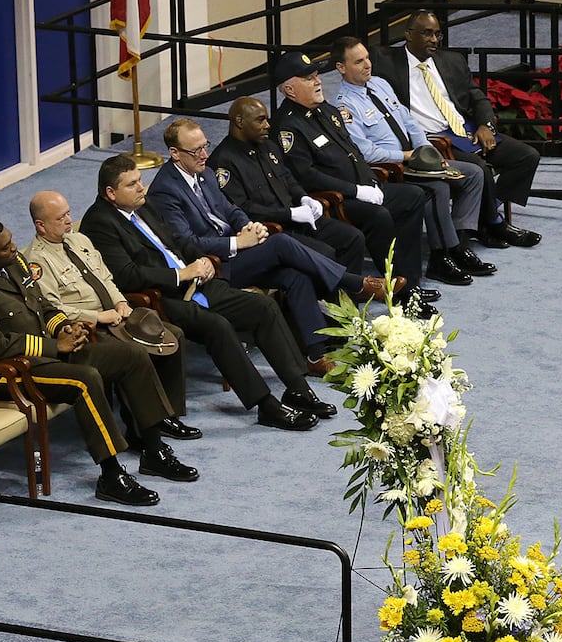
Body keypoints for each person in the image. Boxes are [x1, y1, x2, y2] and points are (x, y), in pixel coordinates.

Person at [0, 219, 199, 506]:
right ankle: (112, 475)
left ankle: (153, 451)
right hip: (6, 371)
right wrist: (55, 345)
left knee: (131, 354)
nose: (15, 248)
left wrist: (63, 327)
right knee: (85, 379)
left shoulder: (14, 261)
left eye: (12, 241)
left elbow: (41, 305)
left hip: (47, 351)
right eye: (6, 247)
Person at [81, 153, 335, 431]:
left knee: (263, 307)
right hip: (162, 298)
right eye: (131, 184)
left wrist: (203, 260)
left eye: (140, 181)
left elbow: (176, 241)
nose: (141, 188)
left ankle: (297, 388)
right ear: (110, 192)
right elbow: (128, 275)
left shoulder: (143, 204)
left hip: (197, 282)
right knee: (218, 326)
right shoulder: (99, 223)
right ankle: (266, 406)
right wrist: (181, 274)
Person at [147, 117, 387, 373]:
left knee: (295, 275)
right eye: (196, 151)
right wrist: (237, 242)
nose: (205, 154)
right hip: (213, 268)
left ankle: (315, 355)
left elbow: (230, 209)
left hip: (238, 252)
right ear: (174, 153)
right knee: (282, 242)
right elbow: (187, 243)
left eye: (205, 146)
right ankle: (353, 283)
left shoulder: (204, 172)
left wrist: (250, 226)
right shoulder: (165, 190)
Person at [23, 190, 200, 442]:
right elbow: (52, 308)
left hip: (117, 314)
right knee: (132, 353)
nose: (68, 221)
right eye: (60, 218)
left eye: (69, 214)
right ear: (40, 226)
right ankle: (141, 427)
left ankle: (167, 416)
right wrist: (97, 317)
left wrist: (120, 301)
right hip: (89, 327)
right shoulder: (36, 262)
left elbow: (106, 278)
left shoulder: (79, 240)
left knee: (173, 336)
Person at [270, 50, 439, 309]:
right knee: (378, 215)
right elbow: (306, 175)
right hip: (336, 197)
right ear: (290, 90)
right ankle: (398, 292)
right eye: (308, 79)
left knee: (413, 196)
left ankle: (409, 281)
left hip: (363, 186)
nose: (317, 82)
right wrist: (356, 190)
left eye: (316, 75)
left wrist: (370, 180)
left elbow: (354, 152)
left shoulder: (327, 110)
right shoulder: (288, 126)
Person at [331, 35, 493, 287]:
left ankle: (458, 245)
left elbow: (410, 122)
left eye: (368, 58)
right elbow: (366, 153)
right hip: (393, 168)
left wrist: (427, 152)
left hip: (417, 159)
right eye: (358, 61)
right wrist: (407, 156)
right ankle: (441, 258)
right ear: (341, 68)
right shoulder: (343, 107)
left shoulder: (380, 84)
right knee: (438, 187)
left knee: (473, 174)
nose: (367, 65)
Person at [373, 10, 542, 249]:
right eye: (427, 33)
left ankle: (486, 216)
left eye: (437, 34)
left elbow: (476, 96)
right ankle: (494, 222)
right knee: (478, 169)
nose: (434, 40)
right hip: (429, 141)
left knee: (526, 156)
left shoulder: (450, 60)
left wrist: (485, 125)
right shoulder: (385, 61)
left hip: (464, 131)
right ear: (408, 35)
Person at [210, 96, 377, 289]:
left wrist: (303, 197)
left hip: (299, 220)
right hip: (274, 230)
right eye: (260, 120)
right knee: (325, 252)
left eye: (267, 119)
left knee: (352, 238)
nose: (267, 125)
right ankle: (330, 310)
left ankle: (349, 307)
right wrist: (290, 213)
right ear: (239, 121)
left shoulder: (268, 146)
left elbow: (288, 179)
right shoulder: (223, 162)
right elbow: (243, 209)